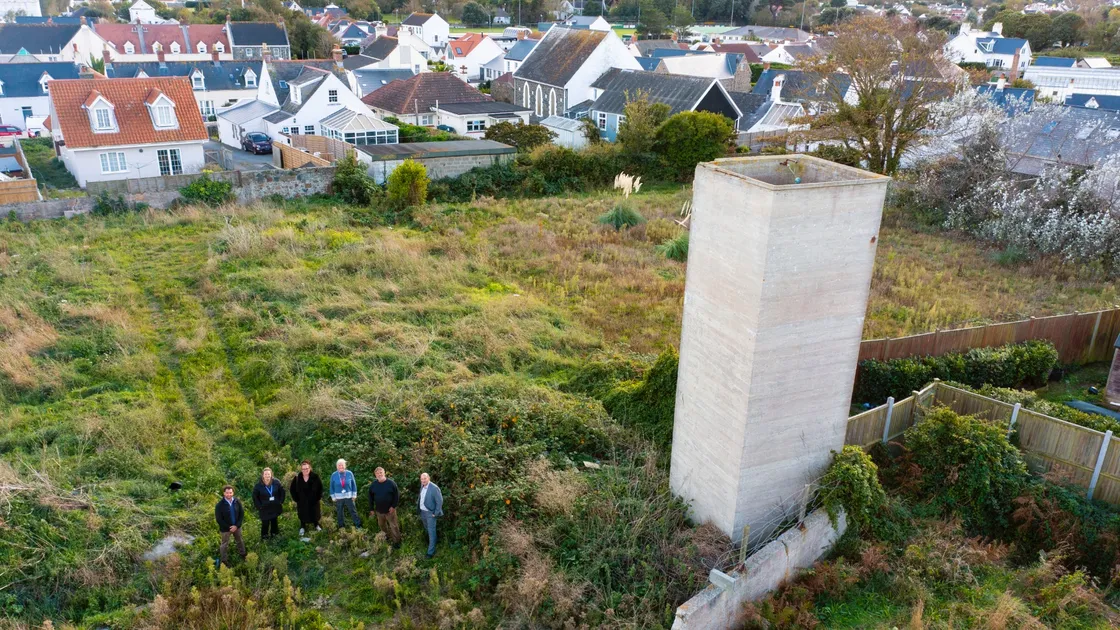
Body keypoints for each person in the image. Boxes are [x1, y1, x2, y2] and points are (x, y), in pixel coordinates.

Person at [367, 467, 401, 548]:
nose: (380, 474)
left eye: (381, 472)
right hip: (379, 510)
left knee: (394, 526)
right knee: (382, 525)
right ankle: (387, 537)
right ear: (375, 475)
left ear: (384, 473)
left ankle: (397, 542)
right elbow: (370, 497)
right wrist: (371, 509)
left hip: (390, 510)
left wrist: (393, 506)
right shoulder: (373, 485)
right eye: (378, 473)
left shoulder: (391, 483)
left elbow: (397, 496)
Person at [289, 460, 323, 536]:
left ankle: (316, 525)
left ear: (310, 468)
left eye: (307, 468)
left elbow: (320, 488)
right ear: (301, 469)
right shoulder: (297, 478)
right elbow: (292, 489)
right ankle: (302, 526)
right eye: (303, 469)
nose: (305, 470)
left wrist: (318, 498)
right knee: (302, 514)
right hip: (302, 501)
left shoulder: (315, 477)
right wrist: (296, 499)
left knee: (315, 513)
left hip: (313, 501)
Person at [215, 485, 246, 567]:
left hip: (237, 527)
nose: (229, 494)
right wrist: (230, 527)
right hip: (225, 529)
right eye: (227, 493)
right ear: (224, 493)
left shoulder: (237, 501)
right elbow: (219, 519)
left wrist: (236, 525)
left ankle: (243, 555)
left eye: (230, 493)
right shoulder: (219, 505)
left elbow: (241, 513)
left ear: (233, 493)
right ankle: (224, 561)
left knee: (240, 541)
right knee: (224, 544)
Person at [252, 468, 286, 540]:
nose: (267, 475)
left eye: (268, 474)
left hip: (274, 507)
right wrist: (259, 506)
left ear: (271, 475)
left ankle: (274, 536)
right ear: (263, 476)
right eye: (265, 474)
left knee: (274, 522)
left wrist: (280, 501)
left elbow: (282, 491)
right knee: (265, 524)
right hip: (264, 508)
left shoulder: (276, 482)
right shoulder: (258, 485)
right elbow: (254, 497)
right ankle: (264, 538)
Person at [417, 472, 443, 559]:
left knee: (431, 531)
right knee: (427, 529)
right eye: (422, 479)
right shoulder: (422, 485)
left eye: (425, 478)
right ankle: (434, 541)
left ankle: (430, 552)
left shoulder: (434, 488)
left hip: (430, 513)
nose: (423, 480)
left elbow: (439, 501)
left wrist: (435, 513)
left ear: (429, 478)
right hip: (422, 512)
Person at [329, 459, 361, 529]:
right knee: (339, 513)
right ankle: (341, 527)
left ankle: (358, 526)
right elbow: (331, 486)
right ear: (337, 466)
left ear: (345, 466)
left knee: (353, 511)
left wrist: (354, 495)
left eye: (342, 465)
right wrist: (333, 497)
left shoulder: (349, 473)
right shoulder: (334, 475)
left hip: (349, 497)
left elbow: (354, 484)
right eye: (339, 465)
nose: (341, 466)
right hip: (338, 498)